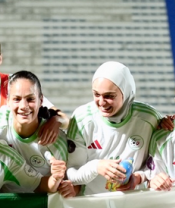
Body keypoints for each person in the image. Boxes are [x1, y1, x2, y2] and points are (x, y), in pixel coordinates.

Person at [66, 61, 162, 195]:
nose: (101, 102)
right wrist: (96, 166)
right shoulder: (81, 119)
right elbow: (71, 174)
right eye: (96, 94)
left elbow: (159, 166)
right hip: (93, 204)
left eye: (109, 96)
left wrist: (138, 177)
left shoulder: (149, 118)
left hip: (136, 205)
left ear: (126, 93)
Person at [0, 71, 77, 197]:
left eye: (30, 99)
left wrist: (61, 180)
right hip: (4, 205)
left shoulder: (56, 141)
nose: (23, 106)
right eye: (17, 99)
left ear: (41, 100)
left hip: (41, 206)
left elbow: (66, 188)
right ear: (8, 101)